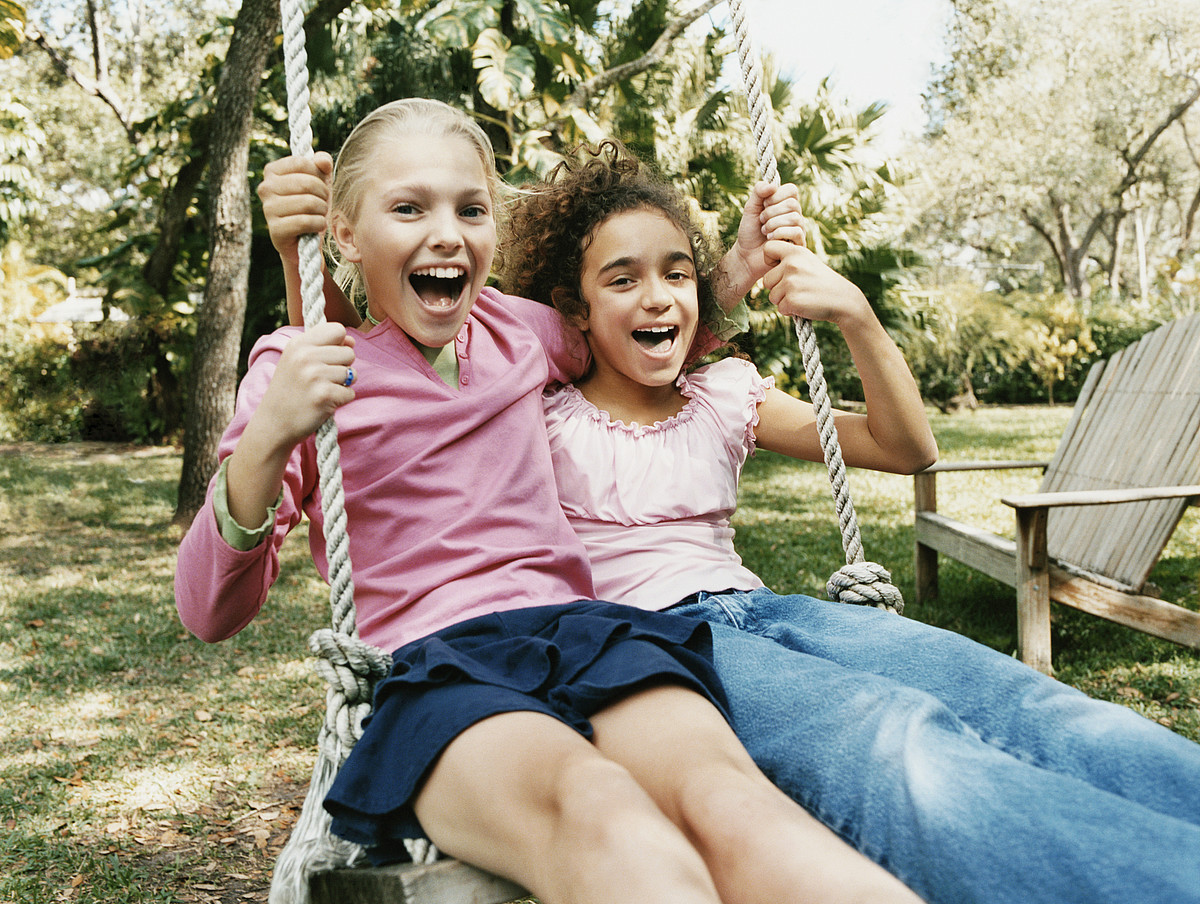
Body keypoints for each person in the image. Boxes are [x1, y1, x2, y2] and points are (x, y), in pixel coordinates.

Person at [176, 98, 924, 904]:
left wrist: (733, 278)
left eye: (470, 209)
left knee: (732, 805)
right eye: (407, 208)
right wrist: (268, 437)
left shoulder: (517, 332)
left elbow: (636, 338)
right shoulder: (301, 370)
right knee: (596, 810)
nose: (446, 233)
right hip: (437, 665)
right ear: (347, 235)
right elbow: (209, 610)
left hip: (590, 635)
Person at [496, 140, 1200, 904]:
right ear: (572, 306)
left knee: (1022, 701)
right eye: (622, 279)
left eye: (676, 273)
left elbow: (906, 448)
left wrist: (854, 314)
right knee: (892, 747)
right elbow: (443, 351)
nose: (659, 296)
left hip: (773, 611)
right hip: (658, 651)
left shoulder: (724, 396)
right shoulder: (538, 413)